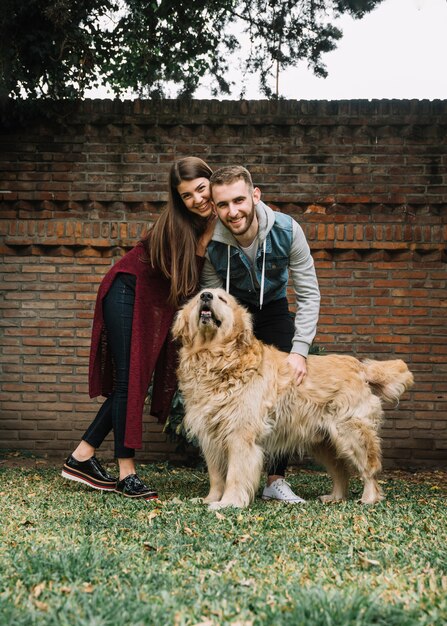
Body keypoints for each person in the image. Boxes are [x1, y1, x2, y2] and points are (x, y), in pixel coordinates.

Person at [61, 157, 216, 500]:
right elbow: (188, 281)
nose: (197, 199)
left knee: (130, 385)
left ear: (211, 181)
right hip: (126, 292)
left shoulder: (206, 219)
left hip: (145, 300)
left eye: (201, 189)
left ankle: (81, 457)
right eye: (187, 195)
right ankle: (125, 473)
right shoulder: (178, 224)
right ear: (179, 200)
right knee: (128, 382)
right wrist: (205, 239)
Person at [200, 165, 321, 503]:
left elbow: (309, 294)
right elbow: (213, 300)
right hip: (235, 311)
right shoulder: (211, 245)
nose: (232, 211)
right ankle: (226, 480)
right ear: (215, 206)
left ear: (255, 195)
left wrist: (299, 350)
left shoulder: (287, 230)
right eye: (223, 204)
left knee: (285, 389)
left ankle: (275, 479)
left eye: (239, 200)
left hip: (274, 309)